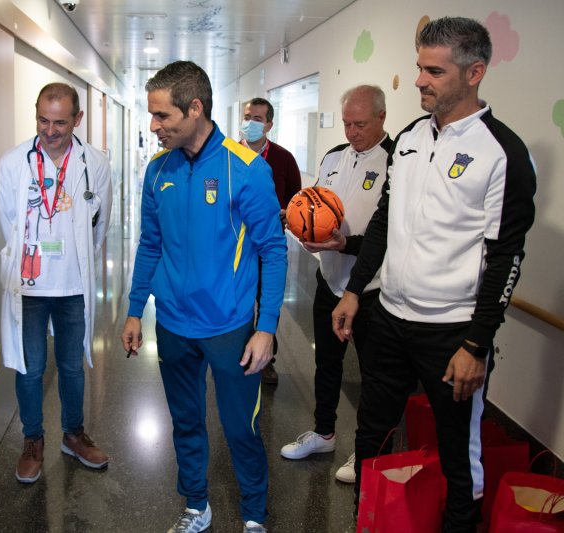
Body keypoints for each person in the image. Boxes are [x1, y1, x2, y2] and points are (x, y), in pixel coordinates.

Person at [332, 17, 536, 531]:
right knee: (371, 435)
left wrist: (477, 344)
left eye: (434, 70)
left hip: (453, 334)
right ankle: (369, 519)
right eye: (419, 67)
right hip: (389, 319)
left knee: (457, 455)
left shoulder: (503, 153)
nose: (420, 80)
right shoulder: (407, 138)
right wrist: (356, 291)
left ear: (474, 73)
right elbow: (383, 220)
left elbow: (506, 257)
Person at [121, 61, 287, 533]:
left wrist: (267, 327)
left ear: (195, 109)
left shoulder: (246, 170)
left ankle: (255, 514)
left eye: (162, 116)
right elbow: (150, 244)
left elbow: (273, 251)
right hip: (173, 324)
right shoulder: (157, 172)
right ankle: (197, 505)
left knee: (240, 429)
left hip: (231, 327)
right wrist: (135, 311)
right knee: (186, 423)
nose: (154, 127)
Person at [0, 83, 113, 484]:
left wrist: (76, 262)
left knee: (71, 366)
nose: (50, 131)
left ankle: (74, 434)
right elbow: (8, 224)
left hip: (73, 285)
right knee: (29, 369)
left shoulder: (94, 163)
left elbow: (100, 223)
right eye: (43, 121)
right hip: (28, 285)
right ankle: (32, 440)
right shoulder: (13, 162)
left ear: (77, 120)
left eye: (60, 123)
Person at [280, 85, 391, 485]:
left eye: (360, 124)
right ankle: (324, 433)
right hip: (329, 282)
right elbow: (314, 206)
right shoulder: (332, 157)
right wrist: (295, 219)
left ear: (381, 117)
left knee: (373, 376)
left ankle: (368, 449)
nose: (351, 131)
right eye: (346, 123)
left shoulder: (396, 162)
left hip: (372, 291)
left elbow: (391, 233)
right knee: (326, 364)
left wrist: (348, 244)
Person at [240, 98, 302, 385]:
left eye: (257, 118)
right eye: (247, 116)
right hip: (236, 245)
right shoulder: (229, 155)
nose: (250, 123)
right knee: (239, 301)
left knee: (267, 300)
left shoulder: (284, 159)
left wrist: (285, 212)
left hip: (268, 243)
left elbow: (295, 200)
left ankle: (266, 358)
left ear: (269, 124)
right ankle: (238, 352)